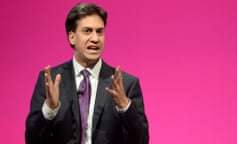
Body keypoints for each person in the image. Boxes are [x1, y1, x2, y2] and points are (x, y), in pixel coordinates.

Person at [25, 2, 149, 144]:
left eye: (99, 31)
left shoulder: (126, 84)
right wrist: (49, 109)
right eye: (87, 31)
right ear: (72, 37)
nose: (95, 39)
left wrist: (125, 108)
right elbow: (32, 139)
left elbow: (142, 141)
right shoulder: (50, 81)